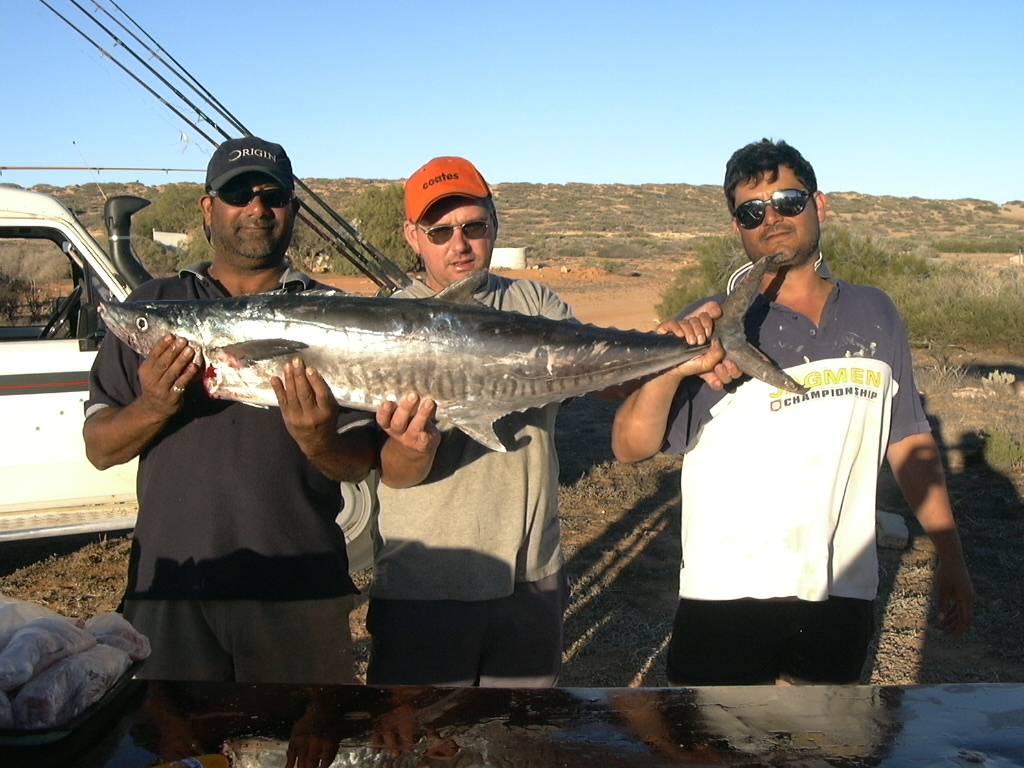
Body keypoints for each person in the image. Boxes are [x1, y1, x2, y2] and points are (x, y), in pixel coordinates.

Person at [611, 138, 975, 686]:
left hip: (841, 587)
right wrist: (675, 366)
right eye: (752, 210)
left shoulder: (876, 313)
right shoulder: (710, 322)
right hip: (726, 593)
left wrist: (951, 553)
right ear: (738, 227)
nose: (772, 218)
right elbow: (629, 446)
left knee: (819, 747)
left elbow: (908, 439)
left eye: (788, 200)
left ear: (819, 205)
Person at [83, 136, 377, 684]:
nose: (257, 209)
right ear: (207, 208)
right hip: (169, 591)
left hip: (300, 592)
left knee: (303, 748)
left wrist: (319, 441)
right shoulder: (155, 309)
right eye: (238, 194)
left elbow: (357, 464)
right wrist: (152, 405)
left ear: (295, 209)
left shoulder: (339, 318)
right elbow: (99, 448)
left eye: (273, 195)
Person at [364, 156, 576, 687]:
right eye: (440, 231)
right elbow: (391, 472)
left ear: (494, 224)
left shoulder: (535, 303)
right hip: (422, 583)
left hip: (530, 575)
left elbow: (606, 371)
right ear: (413, 236)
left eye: (473, 227)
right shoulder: (375, 328)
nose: (459, 244)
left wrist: (679, 346)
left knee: (519, 740)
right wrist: (413, 446)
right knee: (419, 741)